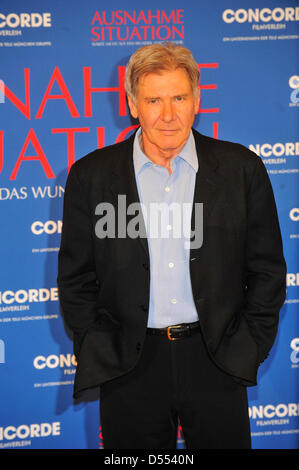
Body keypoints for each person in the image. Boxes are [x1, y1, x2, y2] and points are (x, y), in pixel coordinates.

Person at [57, 42, 286, 449]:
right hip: (129, 364)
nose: (168, 114)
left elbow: (267, 270)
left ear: (196, 99)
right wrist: (100, 344)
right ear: (132, 103)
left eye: (179, 97)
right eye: (154, 99)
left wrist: (249, 344)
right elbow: (75, 278)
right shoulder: (90, 176)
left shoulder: (241, 169)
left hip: (216, 359)